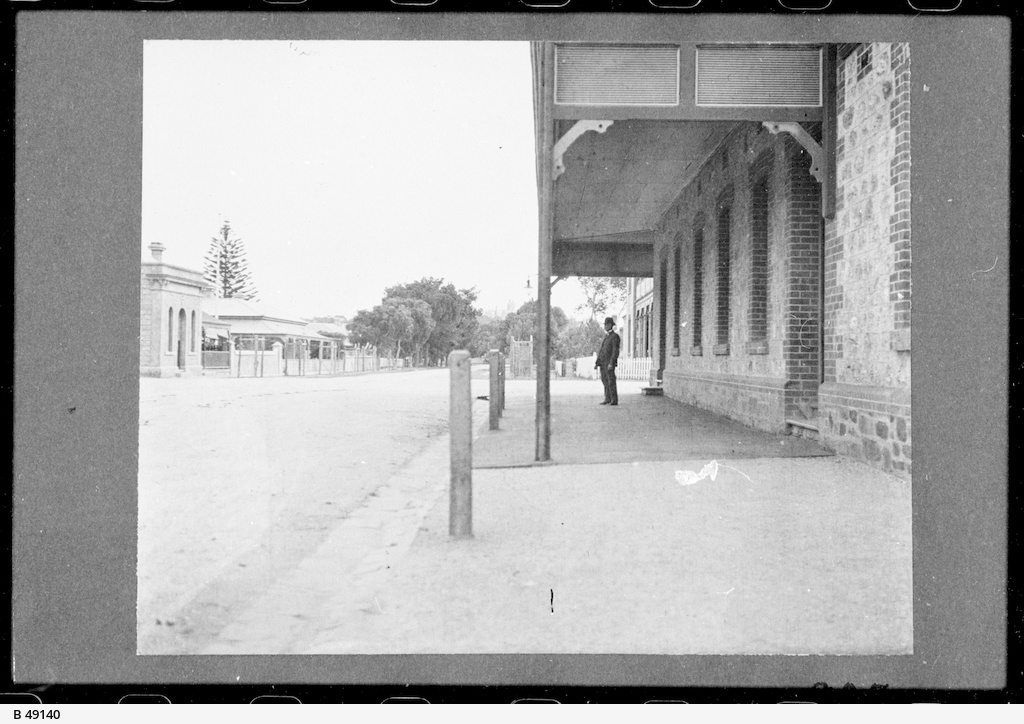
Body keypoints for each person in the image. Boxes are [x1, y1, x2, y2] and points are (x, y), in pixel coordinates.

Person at [595, 316, 620, 406]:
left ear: (610, 325)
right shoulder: (606, 336)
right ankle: (607, 398)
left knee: (611, 381)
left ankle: (614, 399)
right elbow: (602, 350)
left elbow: (615, 351)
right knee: (605, 380)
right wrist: (597, 362)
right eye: (605, 325)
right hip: (603, 363)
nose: (605, 326)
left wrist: (611, 363)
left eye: (607, 325)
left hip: (609, 363)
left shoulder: (615, 336)